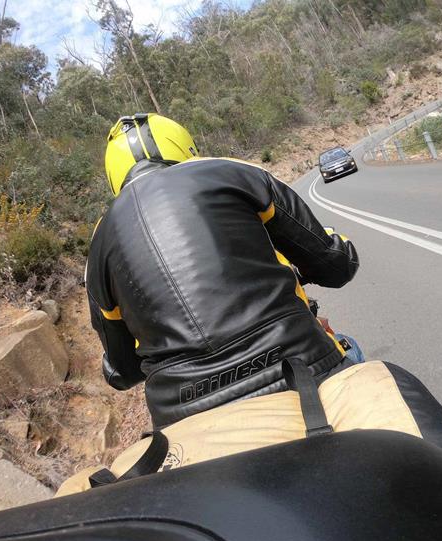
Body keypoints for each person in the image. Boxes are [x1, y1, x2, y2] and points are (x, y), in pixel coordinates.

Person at [86, 113, 359, 428]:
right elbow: (334, 266)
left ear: (113, 176)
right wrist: (339, 246)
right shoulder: (230, 172)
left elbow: (123, 371)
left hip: (184, 419)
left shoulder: (99, 244)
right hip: (301, 367)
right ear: (184, 147)